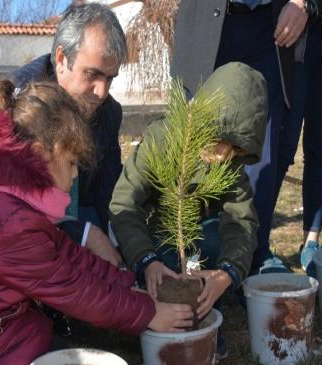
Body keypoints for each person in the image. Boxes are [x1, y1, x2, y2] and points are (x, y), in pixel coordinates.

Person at [0, 80, 194, 365]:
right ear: (40, 155)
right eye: (70, 163)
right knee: (55, 347)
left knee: (49, 339)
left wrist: (125, 283)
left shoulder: (15, 201)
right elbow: (74, 291)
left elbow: (68, 257)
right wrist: (147, 313)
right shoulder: (12, 223)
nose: (75, 175)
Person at [0, 3, 125, 267]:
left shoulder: (108, 112)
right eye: (92, 75)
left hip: (71, 221)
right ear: (62, 59)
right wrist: (85, 235)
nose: (102, 91)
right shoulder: (20, 107)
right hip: (9, 244)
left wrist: (131, 257)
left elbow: (107, 195)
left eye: (110, 78)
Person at [110, 62, 268, 359]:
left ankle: (203, 323)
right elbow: (124, 204)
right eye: (216, 140)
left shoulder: (231, 163)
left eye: (233, 147)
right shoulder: (161, 139)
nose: (221, 154)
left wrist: (226, 273)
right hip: (157, 236)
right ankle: (160, 318)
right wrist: (146, 261)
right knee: (167, 262)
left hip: (200, 239)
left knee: (210, 245)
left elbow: (242, 222)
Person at [170, 0, 310, 275]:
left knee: (262, 151)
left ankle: (253, 255)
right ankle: (195, 256)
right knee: (196, 144)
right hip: (206, 24)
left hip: (269, 25)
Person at [273, 1, 322, 273]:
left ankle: (311, 240)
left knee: (320, 147)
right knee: (283, 145)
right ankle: (257, 244)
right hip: (299, 31)